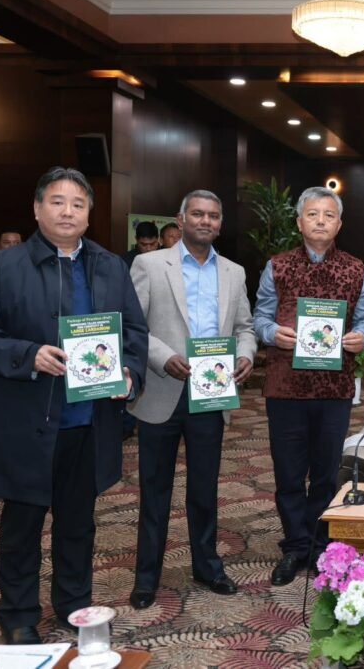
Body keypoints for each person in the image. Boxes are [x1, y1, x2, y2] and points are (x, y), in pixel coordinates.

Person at [0, 167, 147, 645]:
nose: (68, 212)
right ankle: (18, 612)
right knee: (21, 525)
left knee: (78, 524)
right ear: (37, 208)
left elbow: (134, 332)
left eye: (78, 204)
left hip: (88, 421)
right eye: (57, 202)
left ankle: (74, 604)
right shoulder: (1, 267)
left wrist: (129, 372)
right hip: (26, 420)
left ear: (89, 214)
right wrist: (29, 355)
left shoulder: (110, 266)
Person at [127, 190, 257, 610]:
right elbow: (133, 326)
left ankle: (208, 567)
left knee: (204, 488)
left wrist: (246, 354)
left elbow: (245, 327)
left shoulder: (234, 272)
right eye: (197, 214)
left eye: (213, 216)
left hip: (211, 394)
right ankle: (146, 578)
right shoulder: (149, 265)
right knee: (155, 490)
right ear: (181, 219)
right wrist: (163, 357)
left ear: (220, 223)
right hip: (161, 390)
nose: (206, 221)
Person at [253, 186, 364, 586]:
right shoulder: (277, 266)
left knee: (325, 473)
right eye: (312, 214)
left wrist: (361, 337)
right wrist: (272, 333)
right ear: (299, 221)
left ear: (339, 224)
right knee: (289, 474)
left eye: (328, 215)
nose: (320, 221)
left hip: (333, 388)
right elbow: (260, 317)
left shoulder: (355, 268)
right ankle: (295, 546)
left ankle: (321, 545)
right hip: (286, 386)